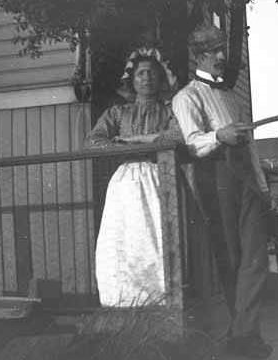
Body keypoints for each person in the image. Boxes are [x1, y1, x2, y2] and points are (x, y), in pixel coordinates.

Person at [172, 25, 273, 359]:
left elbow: (251, 146)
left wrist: (261, 183)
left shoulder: (232, 96)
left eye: (221, 50)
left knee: (255, 258)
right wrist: (219, 136)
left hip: (245, 178)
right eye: (213, 51)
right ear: (199, 56)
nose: (220, 57)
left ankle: (245, 333)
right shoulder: (187, 97)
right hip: (216, 178)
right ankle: (243, 332)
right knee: (231, 259)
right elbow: (192, 142)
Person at [85, 47, 182, 307]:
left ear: (161, 79)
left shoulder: (170, 110)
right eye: (140, 73)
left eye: (152, 72)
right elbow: (94, 142)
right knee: (125, 239)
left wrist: (136, 141)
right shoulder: (118, 113)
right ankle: (125, 302)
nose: (146, 77)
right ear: (132, 79)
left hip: (159, 176)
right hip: (126, 181)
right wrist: (126, 148)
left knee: (156, 238)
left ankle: (162, 300)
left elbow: (177, 136)